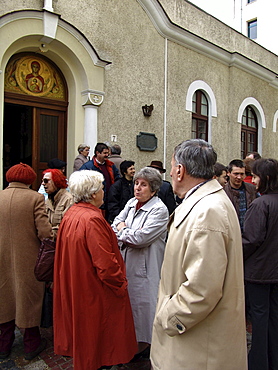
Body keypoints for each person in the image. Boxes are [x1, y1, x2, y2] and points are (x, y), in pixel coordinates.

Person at [151, 139, 247, 370]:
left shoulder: (207, 211)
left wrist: (167, 318)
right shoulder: (207, 203)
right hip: (197, 343)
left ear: (180, 171)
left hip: (198, 349)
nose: (171, 174)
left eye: (172, 167)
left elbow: (202, 290)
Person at [53, 170, 137, 370]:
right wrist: (120, 283)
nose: (103, 192)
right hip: (95, 290)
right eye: (101, 188)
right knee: (99, 343)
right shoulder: (92, 219)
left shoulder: (72, 213)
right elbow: (105, 265)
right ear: (92, 194)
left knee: (86, 339)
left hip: (78, 284)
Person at [112, 167, 169, 359]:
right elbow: (115, 224)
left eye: (143, 185)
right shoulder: (131, 203)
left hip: (146, 268)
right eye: (136, 183)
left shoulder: (159, 210)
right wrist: (123, 230)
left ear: (153, 190)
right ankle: (131, 345)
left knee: (144, 309)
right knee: (130, 307)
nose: (137, 188)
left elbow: (140, 238)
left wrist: (123, 231)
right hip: (127, 264)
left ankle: (145, 348)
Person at [0, 163, 52, 360]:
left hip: (2, 256)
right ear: (30, 180)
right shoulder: (35, 198)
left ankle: (4, 345)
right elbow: (45, 233)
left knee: (4, 298)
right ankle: (32, 344)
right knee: (28, 299)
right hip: (28, 258)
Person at [242, 158, 278, 370]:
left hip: (259, 272)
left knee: (259, 319)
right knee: (273, 317)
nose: (252, 180)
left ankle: (258, 363)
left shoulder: (260, 204)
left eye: (254, 176)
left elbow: (251, 239)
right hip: (272, 271)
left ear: (265, 178)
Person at [80, 142, 120, 220]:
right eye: (105, 153)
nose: (107, 155)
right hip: (95, 202)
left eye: (108, 153)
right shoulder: (88, 167)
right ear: (97, 153)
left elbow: (117, 179)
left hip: (109, 201)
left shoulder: (111, 165)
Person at [224, 159, 257, 232]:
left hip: (249, 233)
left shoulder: (252, 189)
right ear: (228, 173)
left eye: (242, 174)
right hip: (232, 232)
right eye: (236, 174)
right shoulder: (223, 191)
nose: (239, 177)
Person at [42, 169, 73, 240]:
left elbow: (66, 225)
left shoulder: (68, 200)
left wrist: (49, 234)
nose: (43, 184)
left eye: (46, 181)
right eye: (43, 181)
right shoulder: (47, 201)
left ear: (56, 181)